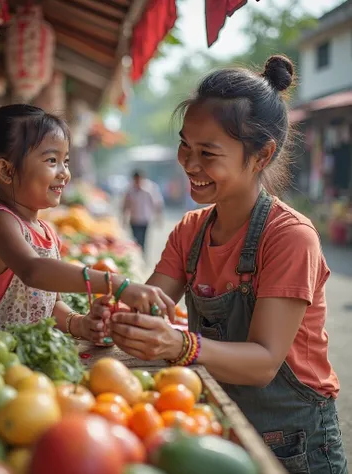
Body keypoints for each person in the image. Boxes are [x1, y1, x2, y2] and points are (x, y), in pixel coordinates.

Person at [94, 56, 348, 472]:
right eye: (185, 146)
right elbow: (152, 302)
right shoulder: (190, 231)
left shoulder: (290, 238)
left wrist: (180, 345)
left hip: (297, 443)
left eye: (208, 153)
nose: (189, 164)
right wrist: (117, 316)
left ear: (262, 155)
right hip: (220, 424)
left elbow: (265, 363)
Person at [0, 88, 175, 337]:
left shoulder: (45, 231)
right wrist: (116, 284)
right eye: (51, 161)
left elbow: (48, 304)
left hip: (23, 365)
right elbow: (34, 271)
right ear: (6, 171)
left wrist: (80, 324)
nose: (64, 173)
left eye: (65, 161)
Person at [122, 170, 164, 252]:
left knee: (143, 241)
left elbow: (157, 203)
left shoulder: (149, 189)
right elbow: (125, 206)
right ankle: (137, 255)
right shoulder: (130, 190)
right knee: (135, 241)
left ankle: (142, 256)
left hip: (144, 220)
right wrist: (123, 219)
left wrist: (159, 218)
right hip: (134, 220)